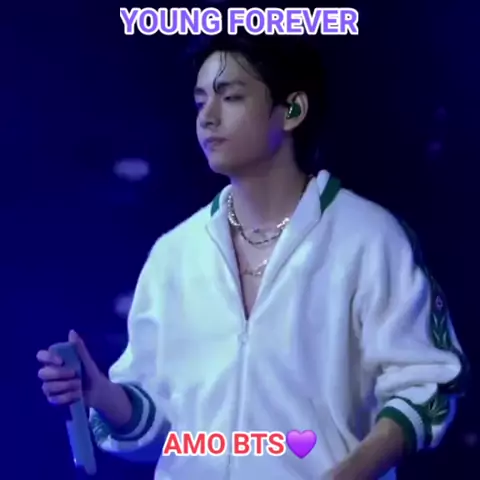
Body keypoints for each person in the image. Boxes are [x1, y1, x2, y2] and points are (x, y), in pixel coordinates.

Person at [37, 31, 468, 479]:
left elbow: (427, 385)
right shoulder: (175, 253)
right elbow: (161, 421)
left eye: (231, 97)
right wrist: (102, 394)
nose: (208, 117)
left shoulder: (370, 238)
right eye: (200, 101)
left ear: (292, 110)